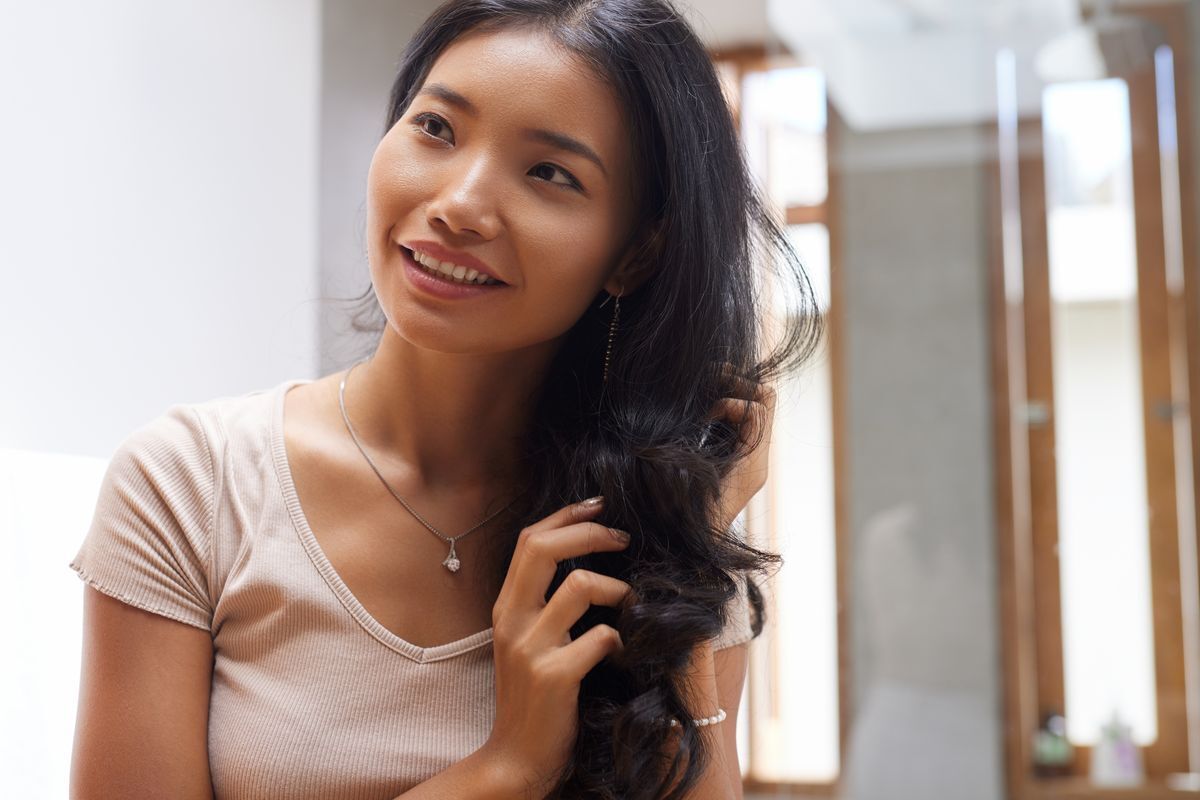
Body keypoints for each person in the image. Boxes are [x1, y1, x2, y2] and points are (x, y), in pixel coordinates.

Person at [67, 0, 820, 797]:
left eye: (549, 173)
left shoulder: (663, 534)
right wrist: (510, 767)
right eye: (436, 129)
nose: (459, 203)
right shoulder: (190, 487)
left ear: (635, 254)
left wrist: (686, 586)